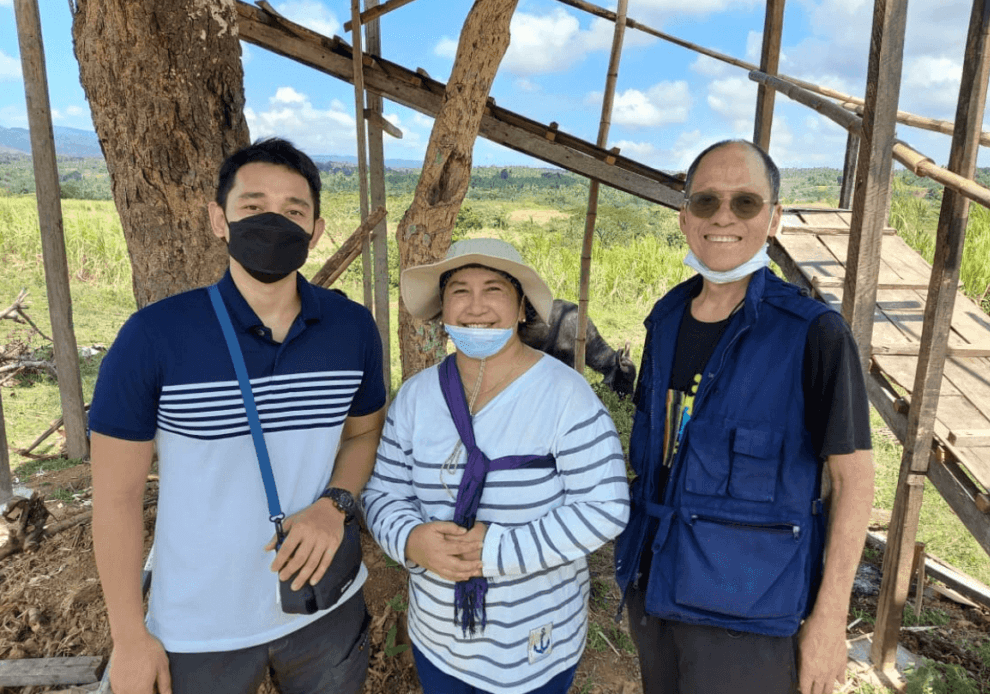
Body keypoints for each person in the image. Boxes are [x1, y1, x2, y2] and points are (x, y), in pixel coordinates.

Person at [89, 138, 387, 694]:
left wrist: (335, 504)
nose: (273, 221)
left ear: (315, 230)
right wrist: (130, 637)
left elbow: (364, 432)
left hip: (328, 606)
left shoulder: (352, 330)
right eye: (253, 207)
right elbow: (115, 497)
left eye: (294, 211)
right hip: (197, 629)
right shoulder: (153, 337)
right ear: (218, 220)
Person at [615, 140, 874, 694]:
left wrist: (829, 621)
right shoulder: (664, 319)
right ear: (685, 218)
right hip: (653, 587)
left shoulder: (814, 335)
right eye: (706, 202)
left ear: (774, 217)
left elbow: (855, 481)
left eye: (746, 203)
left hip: (748, 613)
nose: (723, 217)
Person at [362, 238, 630, 694]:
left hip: (535, 645)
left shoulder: (565, 395)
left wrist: (496, 552)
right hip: (437, 639)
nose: (476, 306)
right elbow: (382, 492)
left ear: (522, 307)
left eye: (494, 290)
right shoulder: (415, 397)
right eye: (459, 291)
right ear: (442, 310)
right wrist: (411, 539)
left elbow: (605, 507)